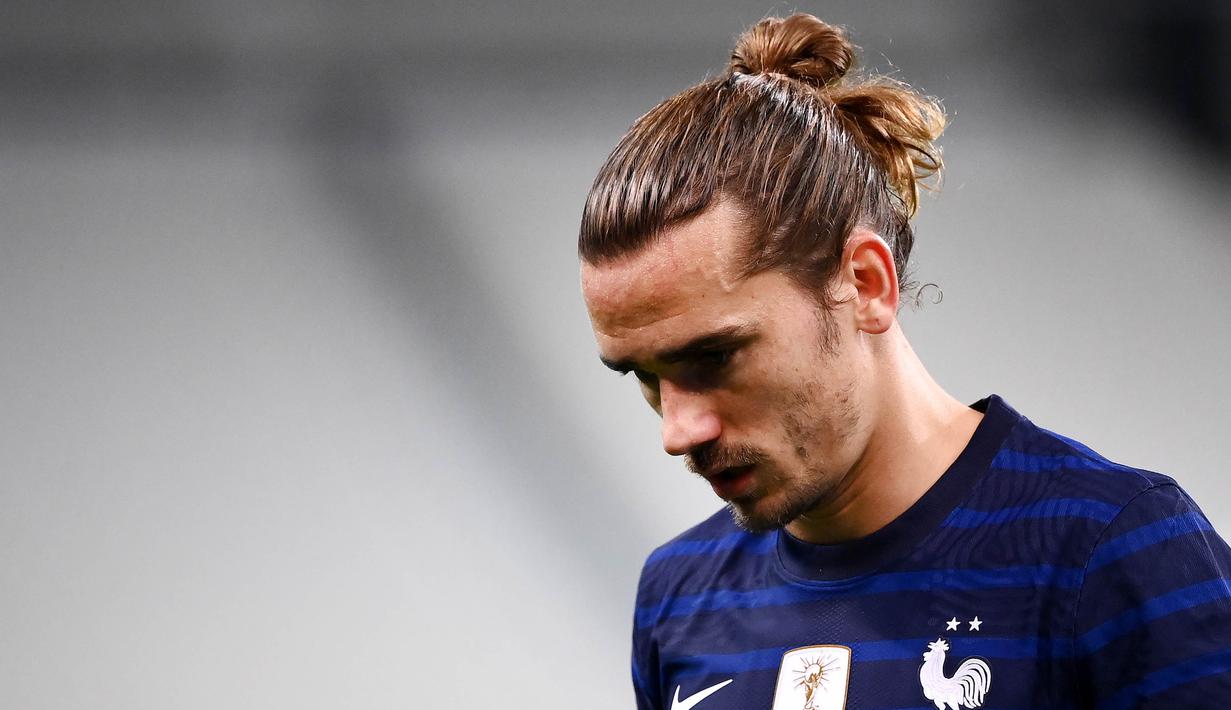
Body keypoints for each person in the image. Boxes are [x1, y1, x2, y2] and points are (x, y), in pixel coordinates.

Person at [577, 13, 1231, 710]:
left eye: (714, 356)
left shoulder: (1113, 551)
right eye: (644, 375)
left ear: (864, 284)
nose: (678, 431)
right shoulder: (676, 598)